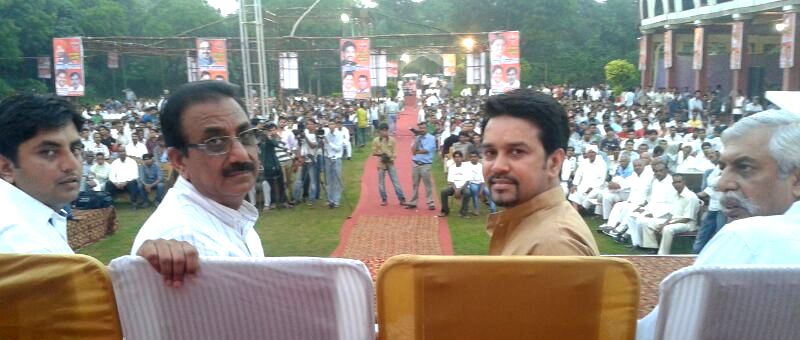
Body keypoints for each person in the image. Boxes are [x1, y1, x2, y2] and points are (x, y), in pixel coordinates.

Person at [0, 94, 196, 287]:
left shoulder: (34, 219)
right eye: (49, 152)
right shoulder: (22, 246)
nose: (71, 164)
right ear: (6, 168)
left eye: (75, 149)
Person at [636, 110, 800, 340]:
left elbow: (657, 336)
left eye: (744, 167)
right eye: (723, 168)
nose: (721, 183)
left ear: (797, 180)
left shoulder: (749, 237)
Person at [131, 81, 265, 258]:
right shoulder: (189, 242)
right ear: (179, 161)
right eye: (215, 142)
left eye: (246, 135)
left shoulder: (229, 215)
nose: (241, 156)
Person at [480, 89, 599, 255]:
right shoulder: (530, 225)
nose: (498, 166)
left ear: (554, 162)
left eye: (516, 152)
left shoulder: (555, 244)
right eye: (490, 153)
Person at [638, 174, 701, 254]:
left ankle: (663, 254)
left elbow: (687, 219)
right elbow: (672, 214)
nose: (677, 184)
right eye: (674, 182)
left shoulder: (691, 197)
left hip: (687, 224)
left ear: (684, 182)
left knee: (667, 229)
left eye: (679, 182)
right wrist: (665, 223)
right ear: (672, 184)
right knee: (646, 222)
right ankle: (652, 248)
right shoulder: (675, 195)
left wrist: (665, 225)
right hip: (674, 222)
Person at [404, 121, 437, 211]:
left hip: (425, 164)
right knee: (415, 184)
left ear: (427, 128)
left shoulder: (431, 138)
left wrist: (417, 151)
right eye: (420, 128)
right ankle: (413, 202)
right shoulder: (417, 138)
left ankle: (430, 202)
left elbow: (426, 150)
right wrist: (416, 139)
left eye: (423, 128)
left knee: (427, 184)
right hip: (416, 163)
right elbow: (412, 150)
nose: (421, 130)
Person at [372, 123, 405, 206]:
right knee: (381, 183)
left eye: (386, 130)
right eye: (382, 131)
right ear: (379, 131)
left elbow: (395, 152)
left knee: (395, 181)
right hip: (381, 162)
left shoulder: (392, 140)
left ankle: (401, 198)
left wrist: (390, 158)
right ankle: (384, 199)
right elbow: (374, 152)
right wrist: (381, 154)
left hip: (390, 162)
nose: (384, 132)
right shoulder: (376, 140)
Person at [439, 151, 472, 218]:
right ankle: (445, 211)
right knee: (444, 192)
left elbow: (468, 181)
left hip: (463, 187)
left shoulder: (467, 167)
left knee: (467, 193)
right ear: (453, 159)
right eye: (455, 157)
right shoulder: (451, 167)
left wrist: (459, 190)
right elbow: (451, 181)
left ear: (462, 158)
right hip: (453, 187)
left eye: (459, 157)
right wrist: (456, 190)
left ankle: (463, 213)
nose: (457, 158)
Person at [323, 120, 345, 208]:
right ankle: (330, 199)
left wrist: (329, 143)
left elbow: (338, 148)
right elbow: (325, 147)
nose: (331, 126)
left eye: (332, 124)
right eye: (329, 124)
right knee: (328, 180)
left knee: (337, 180)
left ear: (335, 125)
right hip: (328, 158)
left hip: (336, 158)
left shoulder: (339, 134)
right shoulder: (326, 135)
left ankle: (336, 200)